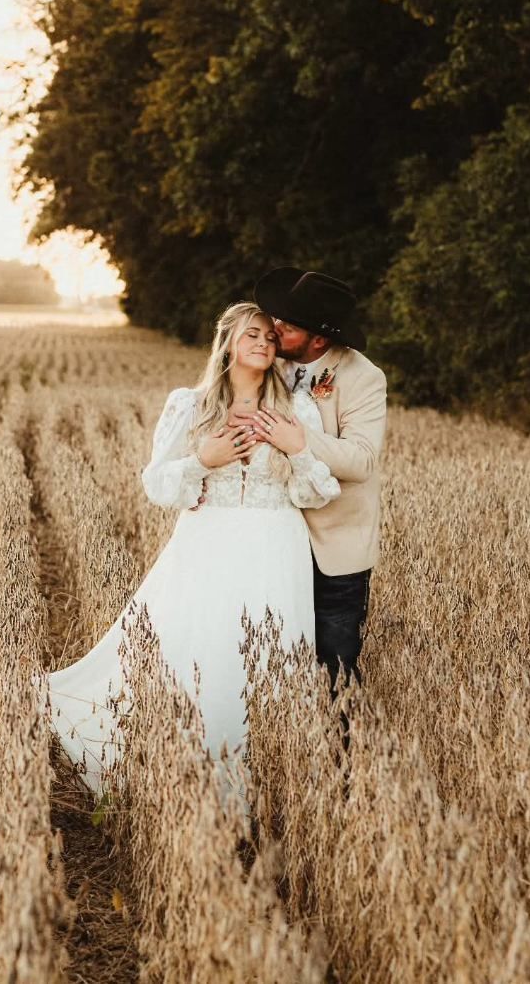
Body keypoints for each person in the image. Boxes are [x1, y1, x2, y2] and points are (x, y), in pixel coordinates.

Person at [47, 301, 340, 797]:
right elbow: (159, 486)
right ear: (226, 341)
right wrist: (204, 460)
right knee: (203, 649)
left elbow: (316, 492)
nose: (265, 343)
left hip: (277, 545)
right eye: (253, 334)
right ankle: (187, 766)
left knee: (270, 654)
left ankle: (267, 775)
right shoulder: (189, 404)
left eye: (271, 337)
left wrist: (298, 449)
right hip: (209, 543)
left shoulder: (297, 408)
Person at [234, 267, 387, 693]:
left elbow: (362, 460)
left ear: (319, 339)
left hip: (336, 545)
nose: (274, 328)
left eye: (287, 324)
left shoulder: (362, 377)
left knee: (335, 661)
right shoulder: (268, 363)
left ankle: (339, 753)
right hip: (272, 536)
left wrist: (301, 441)